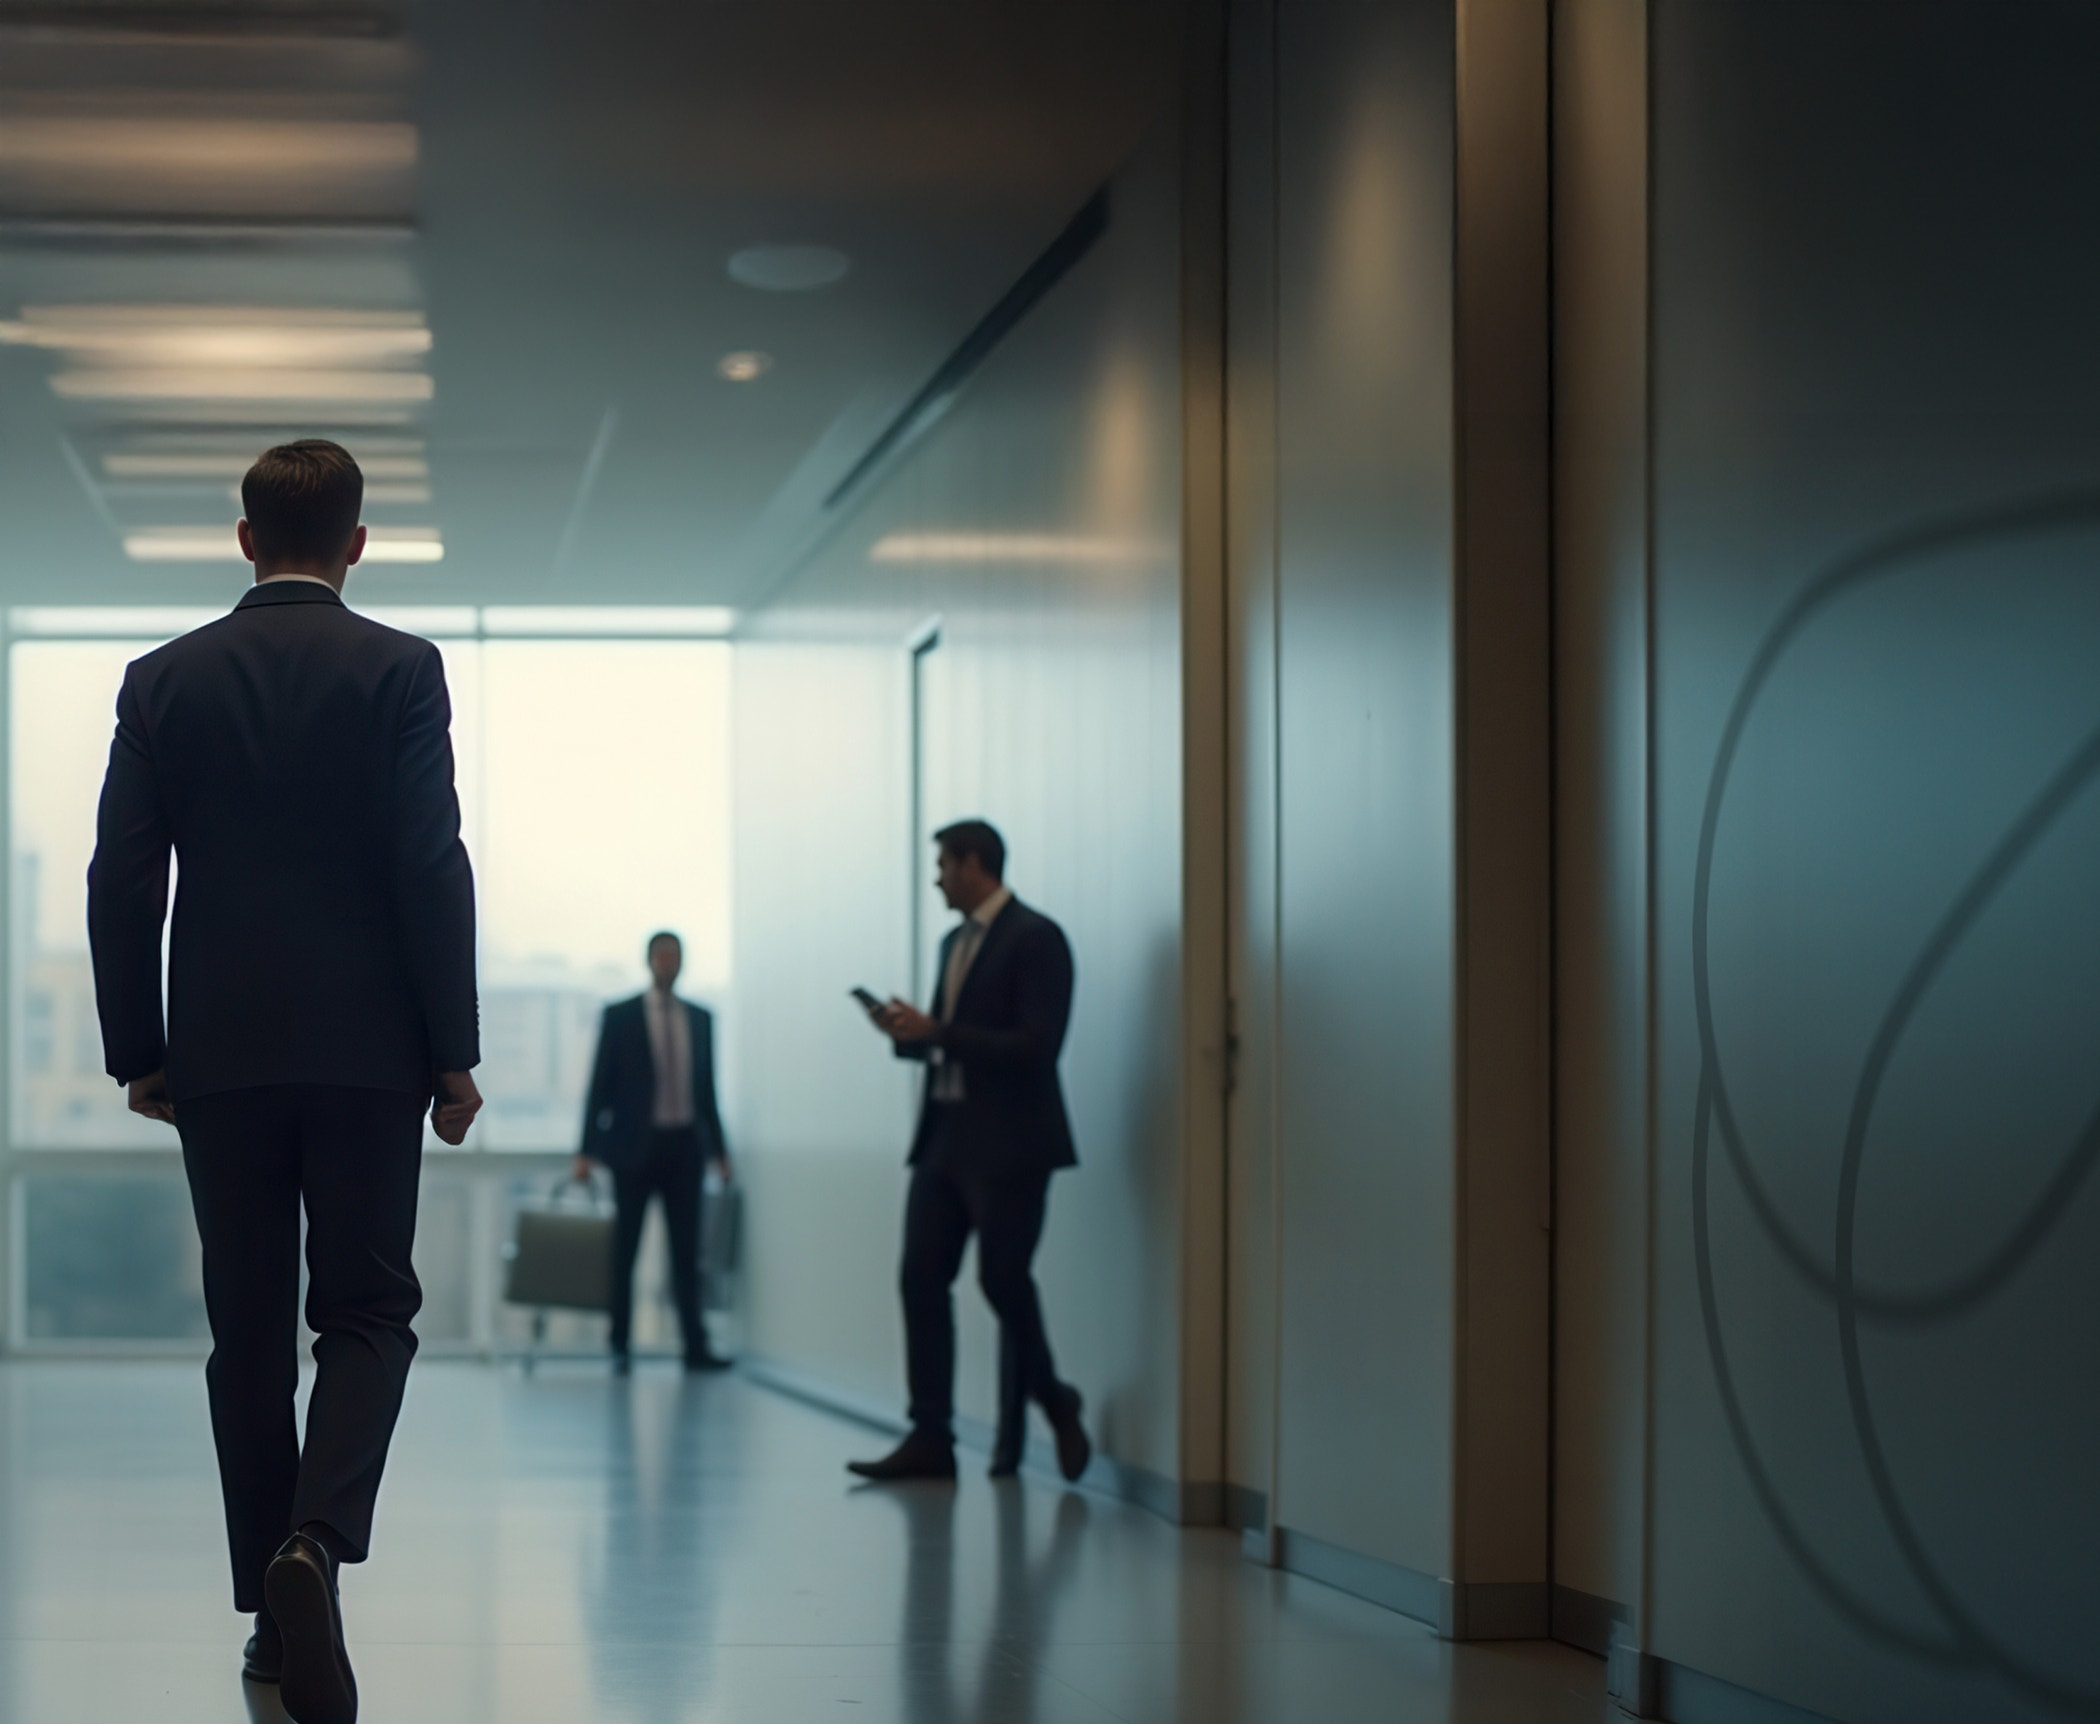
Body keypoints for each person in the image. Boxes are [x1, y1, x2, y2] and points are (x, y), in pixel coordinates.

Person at [87, 440, 481, 1724]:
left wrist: (138, 1047)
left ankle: (272, 1603)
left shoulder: (162, 681)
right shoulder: (403, 669)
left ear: (245, 538)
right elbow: (432, 861)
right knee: (366, 1311)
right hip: (371, 1052)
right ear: (358, 543)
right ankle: (316, 1539)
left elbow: (122, 879)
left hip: (225, 1055)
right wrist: (452, 1047)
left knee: (247, 1332)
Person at [848, 819, 1092, 1484]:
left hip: (1011, 1145)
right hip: (946, 1137)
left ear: (974, 864)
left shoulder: (1036, 939)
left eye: (943, 866)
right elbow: (945, 1040)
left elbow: (1038, 1046)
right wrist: (906, 1034)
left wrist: (942, 1031)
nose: (936, 879)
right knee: (920, 1278)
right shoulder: (952, 942)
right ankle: (931, 1436)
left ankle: (1053, 1398)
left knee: (1001, 1280)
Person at [575, 930, 733, 1372]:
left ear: (682, 962)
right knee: (625, 1250)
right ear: (649, 961)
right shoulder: (621, 1016)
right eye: (661, 956)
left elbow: (707, 1091)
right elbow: (599, 1085)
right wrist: (585, 1150)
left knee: (687, 1255)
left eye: (675, 956)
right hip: (634, 1151)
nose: (668, 963)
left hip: (684, 1147)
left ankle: (694, 1348)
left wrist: (720, 1151)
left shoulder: (700, 1019)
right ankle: (620, 1346)